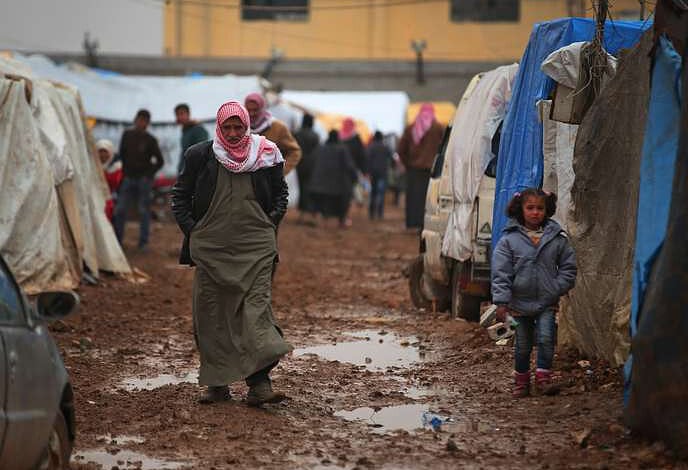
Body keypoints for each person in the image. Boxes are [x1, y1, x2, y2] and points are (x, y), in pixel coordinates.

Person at [171, 101, 292, 406]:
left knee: (256, 312)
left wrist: (270, 222)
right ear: (219, 127)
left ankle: (259, 385)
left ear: (247, 126)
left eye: (239, 126)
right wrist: (195, 232)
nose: (234, 133)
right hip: (211, 249)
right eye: (228, 127)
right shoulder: (200, 155)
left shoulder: (266, 153)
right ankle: (217, 384)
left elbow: (281, 193)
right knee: (211, 314)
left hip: (255, 247)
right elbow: (180, 196)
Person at [491, 188, 577, 398]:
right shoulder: (509, 240)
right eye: (530, 208)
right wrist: (501, 303)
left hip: (546, 302)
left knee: (546, 339)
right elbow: (501, 273)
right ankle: (521, 383)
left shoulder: (556, 239)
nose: (535, 212)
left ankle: (543, 379)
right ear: (520, 209)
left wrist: (556, 287)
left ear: (547, 210)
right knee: (522, 346)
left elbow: (569, 267)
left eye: (540, 208)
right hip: (518, 305)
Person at [113, 109, 164, 250]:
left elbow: (160, 161)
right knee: (120, 209)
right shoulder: (127, 135)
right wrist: (121, 171)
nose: (142, 123)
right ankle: (117, 242)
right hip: (128, 178)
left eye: (145, 121)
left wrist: (149, 175)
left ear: (148, 123)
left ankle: (143, 243)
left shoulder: (151, 140)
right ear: (135, 120)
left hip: (143, 180)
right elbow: (121, 154)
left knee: (143, 211)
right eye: (140, 120)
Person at [397, 103, 444, 229]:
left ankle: (413, 222)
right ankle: (426, 223)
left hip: (414, 170)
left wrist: (407, 163)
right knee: (429, 198)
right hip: (432, 170)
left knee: (413, 197)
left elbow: (401, 149)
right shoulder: (438, 128)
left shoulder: (411, 128)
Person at [309, 130, 358, 228]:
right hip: (338, 185)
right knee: (344, 200)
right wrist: (354, 177)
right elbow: (349, 166)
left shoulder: (320, 148)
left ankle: (323, 220)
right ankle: (342, 221)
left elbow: (312, 162)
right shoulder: (342, 149)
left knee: (324, 203)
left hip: (320, 184)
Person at [245, 93, 301, 175]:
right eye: (248, 110)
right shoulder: (242, 127)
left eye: (255, 110)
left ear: (262, 109)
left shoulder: (277, 127)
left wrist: (280, 172)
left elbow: (294, 151)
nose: (251, 113)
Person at [293, 113, 320, 223]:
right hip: (312, 165)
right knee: (310, 188)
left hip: (300, 164)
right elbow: (317, 151)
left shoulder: (297, 134)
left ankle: (302, 215)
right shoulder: (315, 135)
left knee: (302, 188)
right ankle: (311, 214)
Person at [174, 103, 209, 174]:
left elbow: (202, 152)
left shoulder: (198, 130)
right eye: (177, 114)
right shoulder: (185, 130)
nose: (179, 117)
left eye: (181, 114)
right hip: (185, 170)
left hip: (195, 172)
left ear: (188, 114)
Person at [366, 131, 393, 220]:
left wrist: (368, 172)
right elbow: (391, 157)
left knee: (373, 193)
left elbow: (367, 160)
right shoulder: (385, 147)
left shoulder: (371, 147)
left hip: (373, 173)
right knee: (381, 193)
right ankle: (380, 213)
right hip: (383, 173)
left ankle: (371, 213)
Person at [96, 139, 122, 222]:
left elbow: (116, 184)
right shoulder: (92, 167)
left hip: (111, 198)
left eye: (105, 152)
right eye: (100, 152)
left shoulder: (117, 168)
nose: (102, 155)